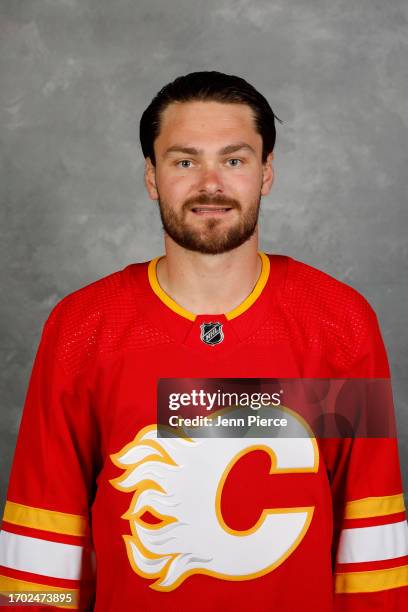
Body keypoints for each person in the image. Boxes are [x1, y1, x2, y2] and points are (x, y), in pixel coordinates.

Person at [0, 71, 407, 611]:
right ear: (152, 176)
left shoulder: (341, 321)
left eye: (234, 160)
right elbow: (42, 537)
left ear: (266, 173)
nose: (210, 184)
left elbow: (370, 529)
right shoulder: (81, 326)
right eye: (185, 161)